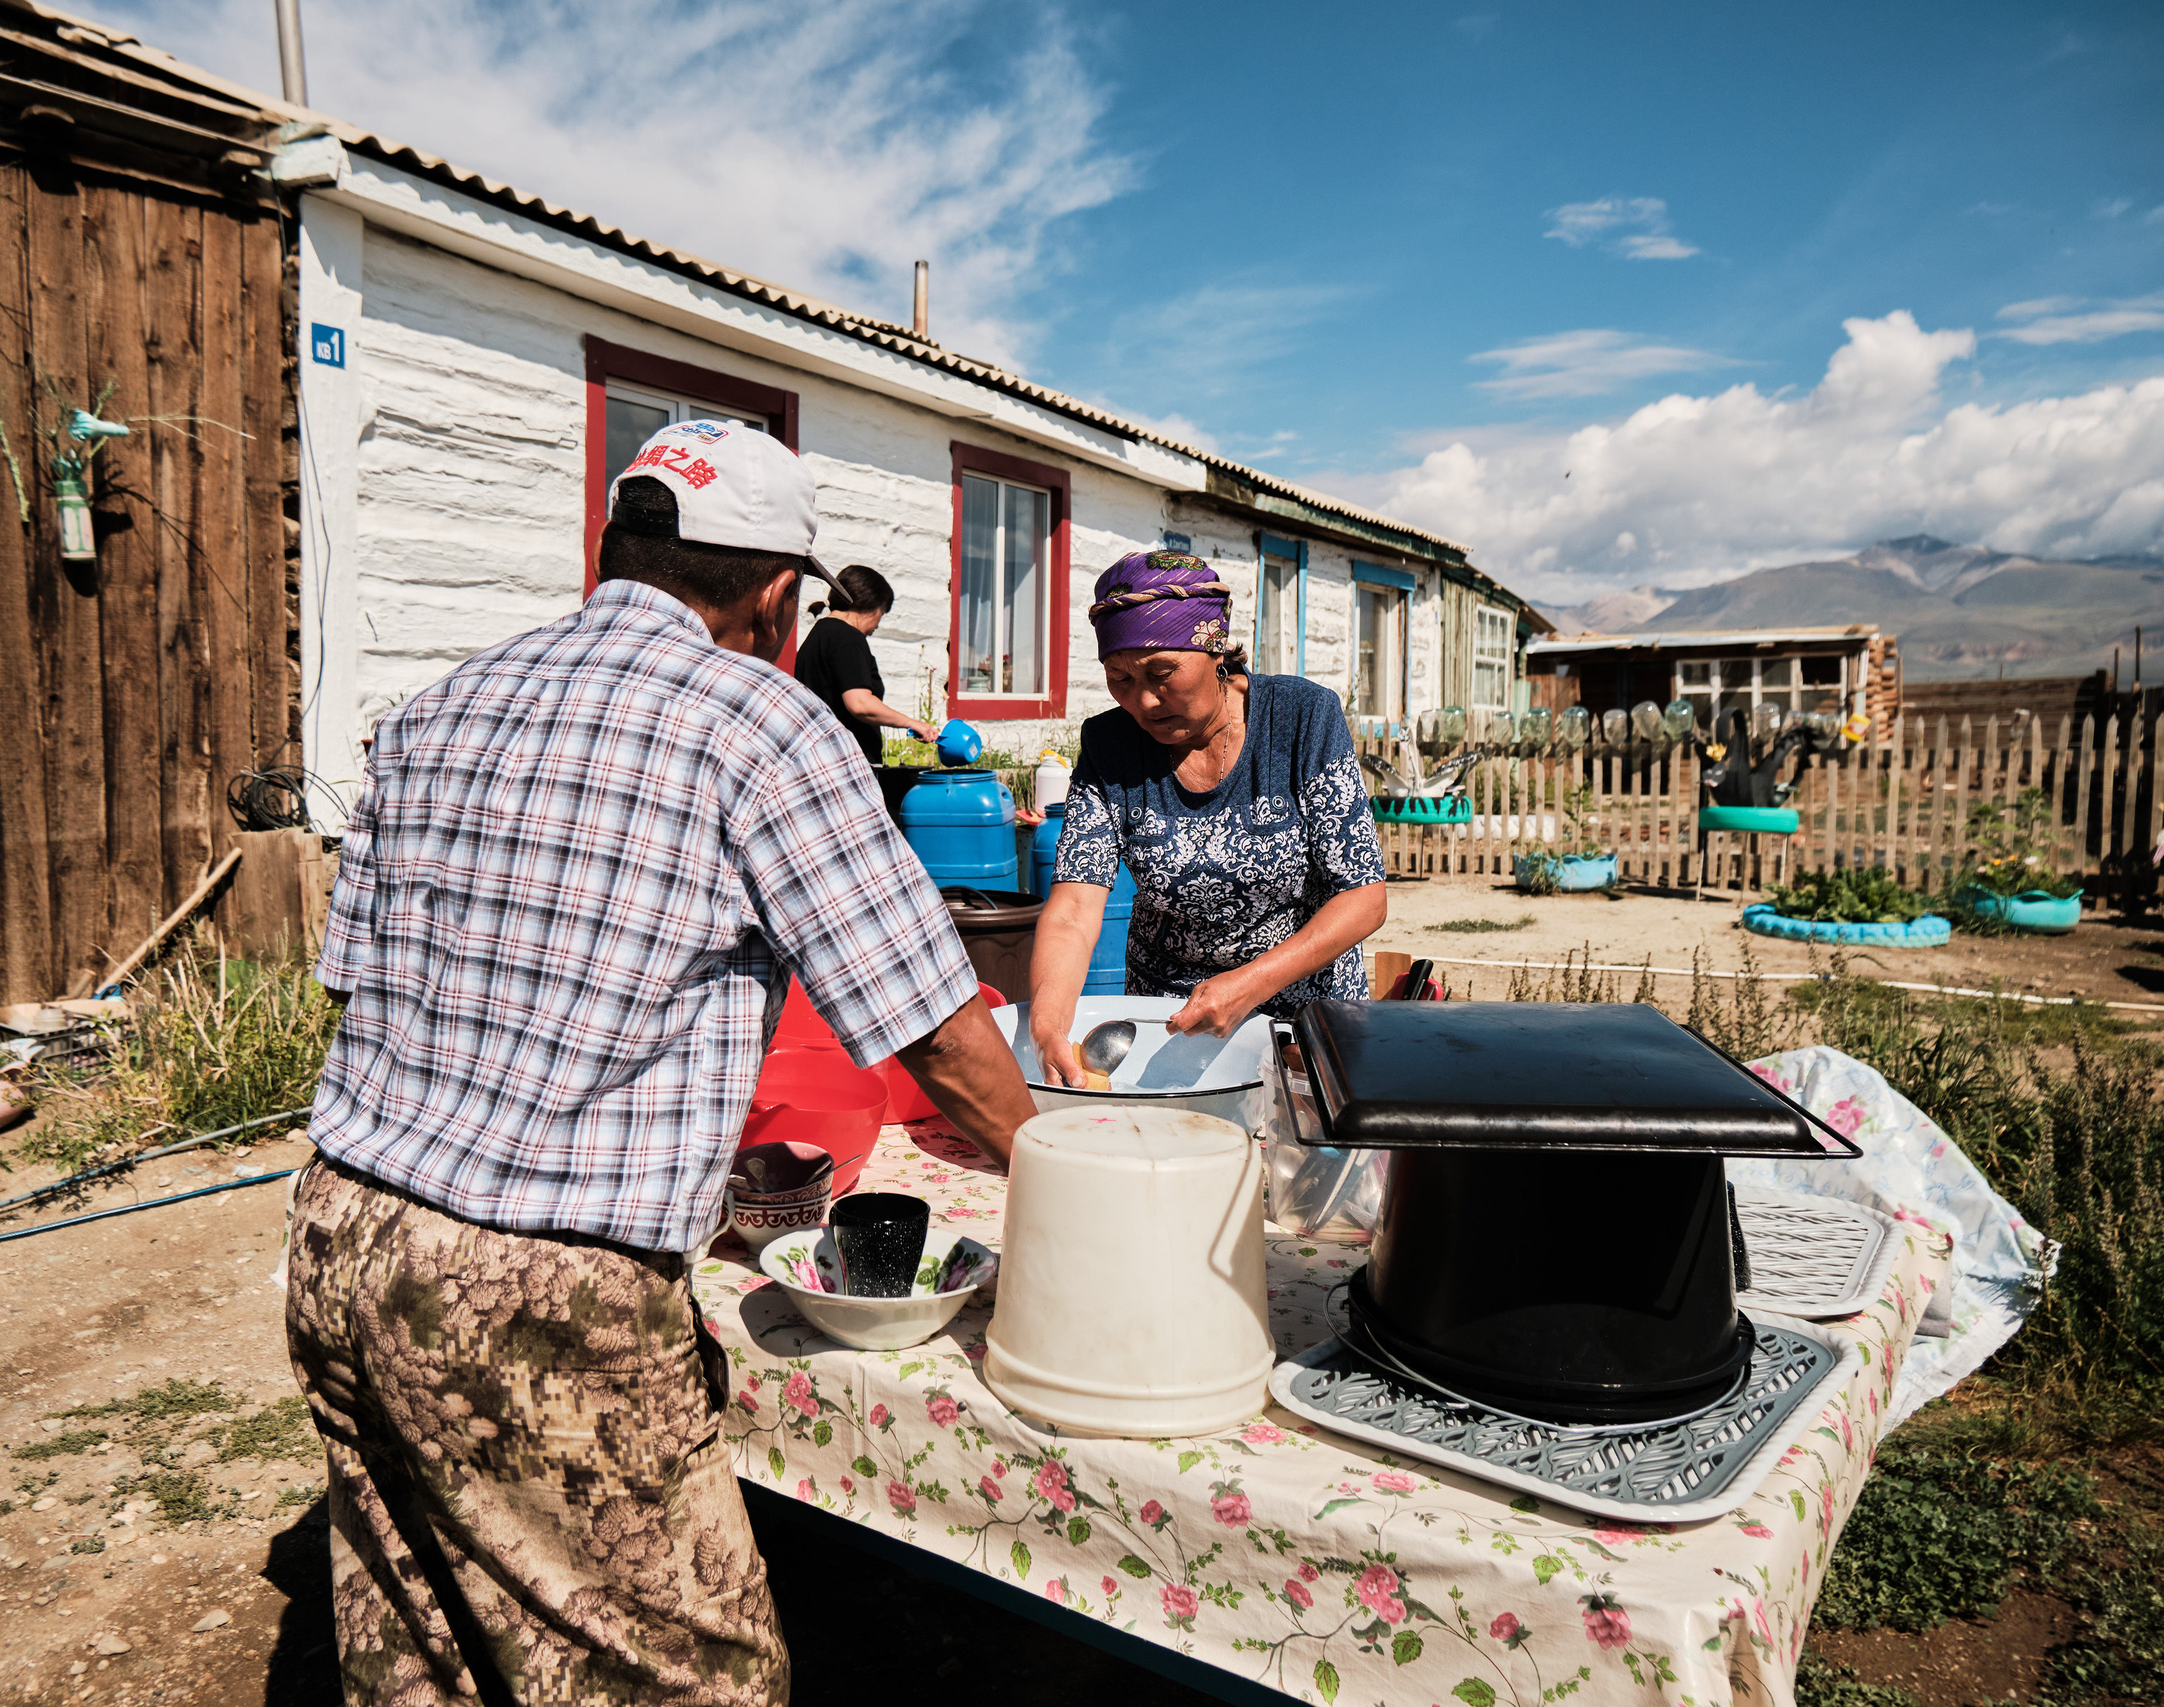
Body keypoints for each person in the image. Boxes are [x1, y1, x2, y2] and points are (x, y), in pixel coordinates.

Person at [288, 418, 1039, 1706]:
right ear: (777, 596)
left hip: (338, 1229)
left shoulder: (434, 707)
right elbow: (933, 1024)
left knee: (424, 1651)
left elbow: (360, 980)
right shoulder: (763, 722)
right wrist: (1067, 1168)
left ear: (616, 551)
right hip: (535, 1284)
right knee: (681, 1678)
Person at [1030, 549, 1388, 1080]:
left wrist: (1249, 984)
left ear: (1215, 648)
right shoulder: (1109, 746)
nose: (1144, 701)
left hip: (1304, 1023)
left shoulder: (1301, 719)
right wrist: (1047, 1030)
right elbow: (1073, 911)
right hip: (1166, 1030)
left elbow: (1363, 897)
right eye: (1120, 678)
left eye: (1161, 672)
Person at [792, 565, 938, 761]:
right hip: (846, 762)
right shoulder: (848, 638)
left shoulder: (818, 635)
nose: (877, 625)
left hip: (820, 758)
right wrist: (913, 723)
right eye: (882, 613)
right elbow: (860, 704)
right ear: (871, 605)